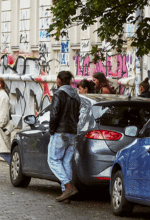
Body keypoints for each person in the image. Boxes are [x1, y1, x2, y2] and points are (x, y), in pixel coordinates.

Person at [47, 71, 81, 202]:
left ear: (59, 80)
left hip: (60, 132)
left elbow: (54, 113)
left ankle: (68, 186)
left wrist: (52, 129)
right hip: (72, 132)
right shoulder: (76, 95)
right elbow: (77, 115)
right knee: (66, 162)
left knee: (53, 160)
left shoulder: (59, 94)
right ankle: (65, 193)